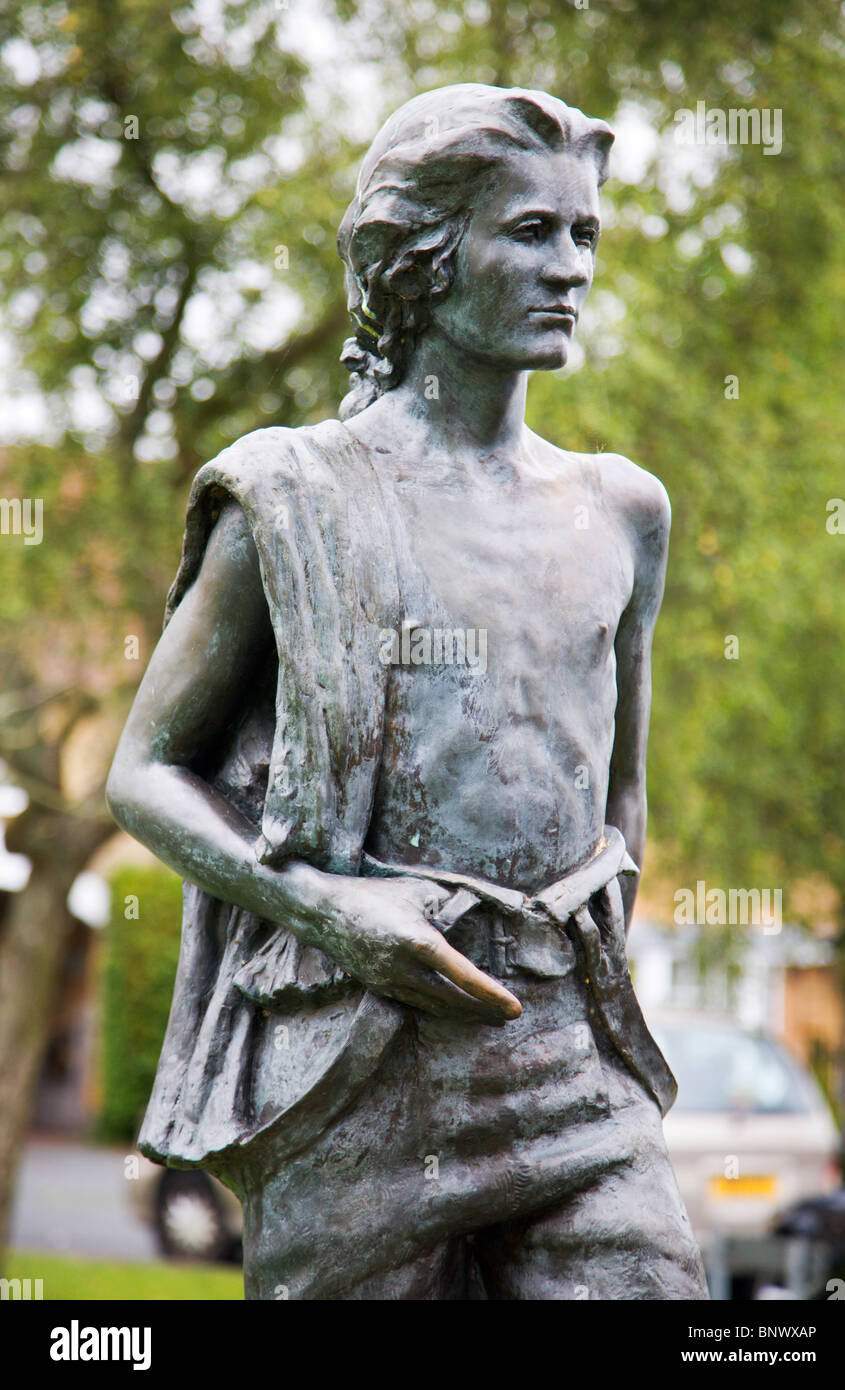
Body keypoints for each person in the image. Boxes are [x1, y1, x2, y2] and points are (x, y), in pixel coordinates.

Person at [107, 84, 708, 1300]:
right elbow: (142, 771)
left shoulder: (621, 510)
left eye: (584, 235)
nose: (570, 268)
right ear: (420, 260)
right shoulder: (291, 497)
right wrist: (330, 908)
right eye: (530, 232)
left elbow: (620, 792)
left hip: (565, 1063)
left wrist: (579, 971)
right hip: (355, 1057)